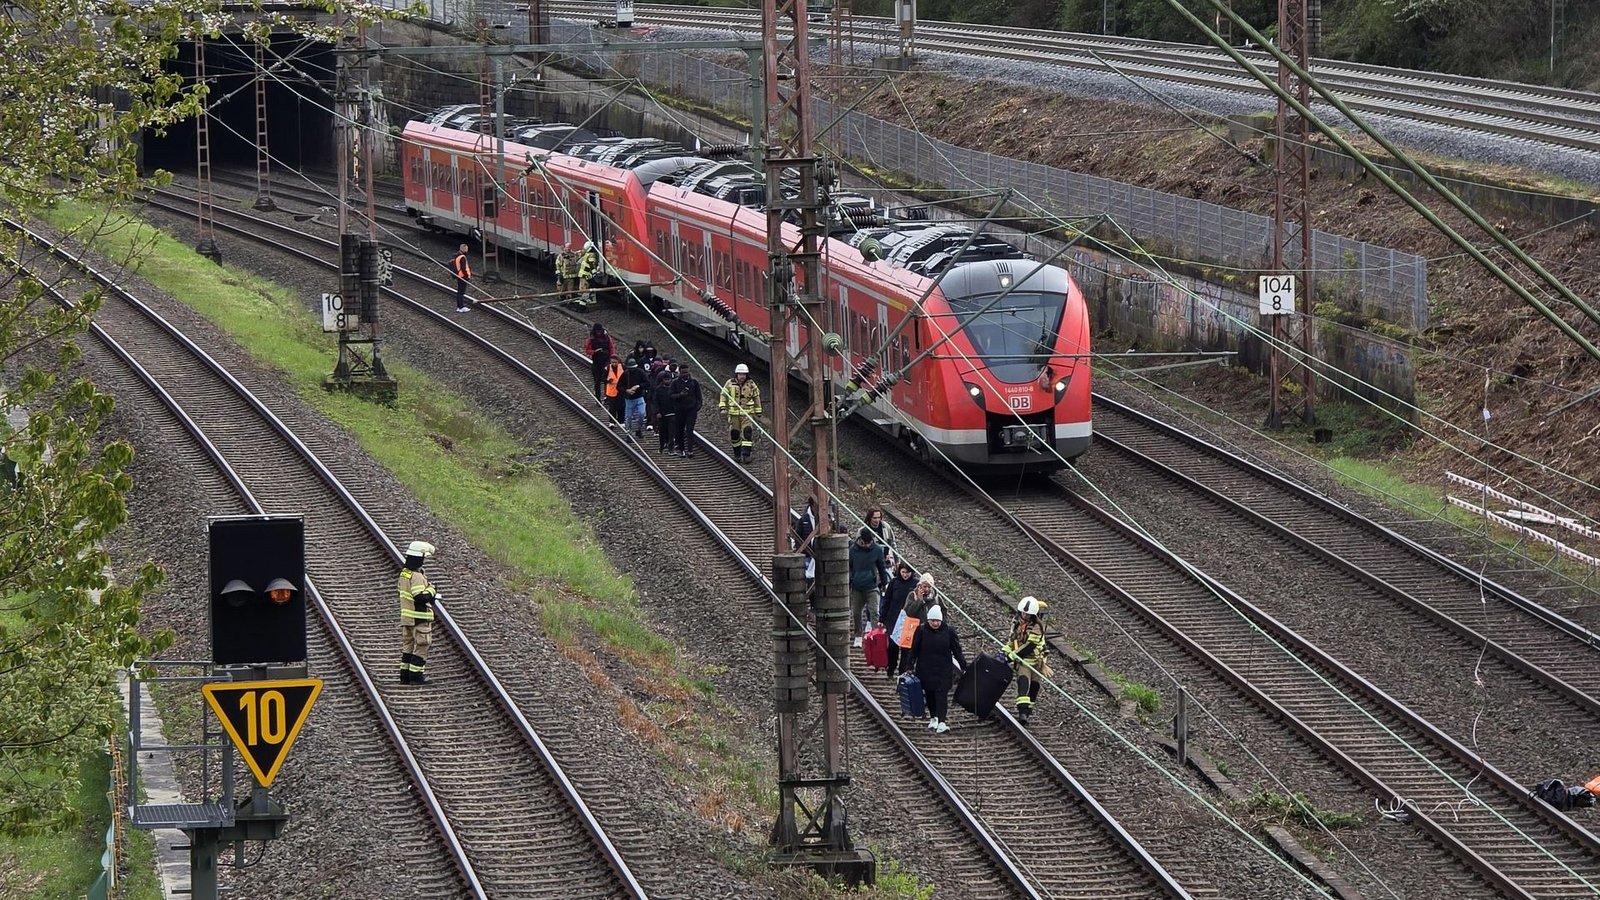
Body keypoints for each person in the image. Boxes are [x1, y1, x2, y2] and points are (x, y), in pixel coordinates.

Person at [909, 605, 966, 733]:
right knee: (929, 694)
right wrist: (909, 665)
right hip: (926, 668)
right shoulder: (921, 630)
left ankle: (942, 721)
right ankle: (933, 717)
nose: (935, 623)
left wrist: (964, 666)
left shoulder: (949, 631)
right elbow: (914, 650)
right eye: (933, 621)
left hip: (943, 669)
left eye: (937, 621)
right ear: (928, 620)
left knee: (941, 695)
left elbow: (957, 650)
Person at [399, 540, 440, 684]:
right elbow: (420, 597)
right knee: (422, 645)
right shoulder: (416, 576)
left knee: (408, 647)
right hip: (419, 617)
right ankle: (416, 677)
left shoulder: (405, 574)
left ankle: (405, 676)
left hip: (407, 618)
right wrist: (432, 589)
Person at [1006, 596, 1050, 725]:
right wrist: (1005, 651)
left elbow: (1030, 646)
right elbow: (1011, 640)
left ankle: (1028, 711)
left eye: (1028, 614)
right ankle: (1023, 713)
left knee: (1034, 687)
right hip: (1023, 662)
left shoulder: (1038, 626)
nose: (1025, 615)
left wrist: (1012, 656)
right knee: (1023, 684)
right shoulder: (1016, 623)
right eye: (1023, 612)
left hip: (1036, 662)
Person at [848, 526, 888, 648]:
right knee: (856, 613)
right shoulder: (853, 549)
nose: (866, 545)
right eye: (865, 542)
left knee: (874, 612)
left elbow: (881, 567)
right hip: (857, 586)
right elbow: (849, 566)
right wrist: (851, 580)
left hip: (872, 586)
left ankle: (875, 636)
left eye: (869, 542)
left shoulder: (876, 550)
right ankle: (858, 636)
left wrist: (883, 583)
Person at [718, 363, 763, 463]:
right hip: (734, 414)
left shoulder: (751, 384)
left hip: (747, 414)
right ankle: (737, 454)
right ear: (736, 374)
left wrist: (758, 411)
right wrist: (722, 407)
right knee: (735, 434)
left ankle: (746, 455)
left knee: (747, 432)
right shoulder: (729, 384)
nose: (742, 376)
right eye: (740, 374)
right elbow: (723, 395)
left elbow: (756, 398)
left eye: (744, 374)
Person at [879, 561, 917, 680]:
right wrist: (882, 618)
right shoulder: (894, 583)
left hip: (909, 620)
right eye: (903, 572)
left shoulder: (915, 584)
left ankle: (902, 672)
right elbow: (887, 600)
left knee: (906, 648)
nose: (905, 575)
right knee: (893, 646)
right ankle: (891, 667)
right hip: (893, 619)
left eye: (908, 572)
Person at [671, 364, 703, 456]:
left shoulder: (694, 382)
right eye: (683, 373)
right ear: (680, 373)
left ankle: (690, 449)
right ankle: (681, 448)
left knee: (690, 429)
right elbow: (671, 395)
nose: (685, 374)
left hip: (691, 410)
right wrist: (680, 395)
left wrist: (698, 405)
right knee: (679, 429)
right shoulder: (675, 383)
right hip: (679, 410)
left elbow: (698, 395)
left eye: (687, 372)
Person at [585, 323, 614, 401]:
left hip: (606, 360)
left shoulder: (607, 337)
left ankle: (608, 396)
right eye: (597, 331)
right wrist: (594, 352)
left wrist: (612, 358)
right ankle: (598, 398)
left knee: (608, 379)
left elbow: (611, 348)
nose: (599, 332)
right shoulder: (591, 339)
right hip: (597, 361)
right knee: (597, 381)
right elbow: (587, 350)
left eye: (600, 331)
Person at [653, 366, 679, 454]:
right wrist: (657, 412)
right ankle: (661, 447)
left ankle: (671, 448)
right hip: (662, 414)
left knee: (672, 432)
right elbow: (655, 401)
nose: (667, 381)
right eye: (666, 379)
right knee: (663, 432)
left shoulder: (674, 389)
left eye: (669, 379)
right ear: (662, 380)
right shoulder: (658, 389)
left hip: (672, 413)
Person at [622, 356, 650, 437]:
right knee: (629, 417)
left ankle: (639, 429)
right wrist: (627, 390)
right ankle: (629, 433)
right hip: (629, 399)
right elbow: (619, 386)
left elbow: (647, 383)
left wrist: (638, 386)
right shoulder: (625, 374)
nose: (632, 370)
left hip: (639, 397)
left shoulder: (641, 372)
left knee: (642, 414)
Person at [577, 241, 601, 307]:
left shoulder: (587, 254)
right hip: (585, 275)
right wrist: (594, 273)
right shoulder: (591, 254)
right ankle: (583, 305)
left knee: (583, 289)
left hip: (583, 275)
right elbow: (591, 264)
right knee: (584, 290)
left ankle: (582, 304)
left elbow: (590, 264)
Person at [604, 356, 626, 422]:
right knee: (612, 407)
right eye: (612, 362)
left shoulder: (623, 367)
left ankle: (621, 421)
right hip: (611, 391)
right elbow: (603, 378)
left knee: (621, 406)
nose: (614, 364)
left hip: (621, 391)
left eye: (615, 362)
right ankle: (612, 421)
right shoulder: (607, 368)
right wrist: (608, 380)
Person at [452, 244, 472, 313]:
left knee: (459, 292)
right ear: (464, 249)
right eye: (466, 249)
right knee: (461, 292)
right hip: (463, 277)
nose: (467, 250)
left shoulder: (456, 255)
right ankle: (461, 307)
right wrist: (467, 276)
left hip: (459, 276)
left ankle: (459, 306)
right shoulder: (462, 257)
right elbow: (464, 268)